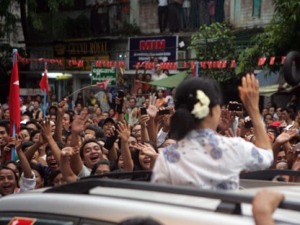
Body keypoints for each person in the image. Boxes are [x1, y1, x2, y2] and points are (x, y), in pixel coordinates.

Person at [151, 74, 273, 190]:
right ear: (213, 111)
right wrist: (254, 110)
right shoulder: (233, 147)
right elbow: (267, 156)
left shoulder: (167, 156)